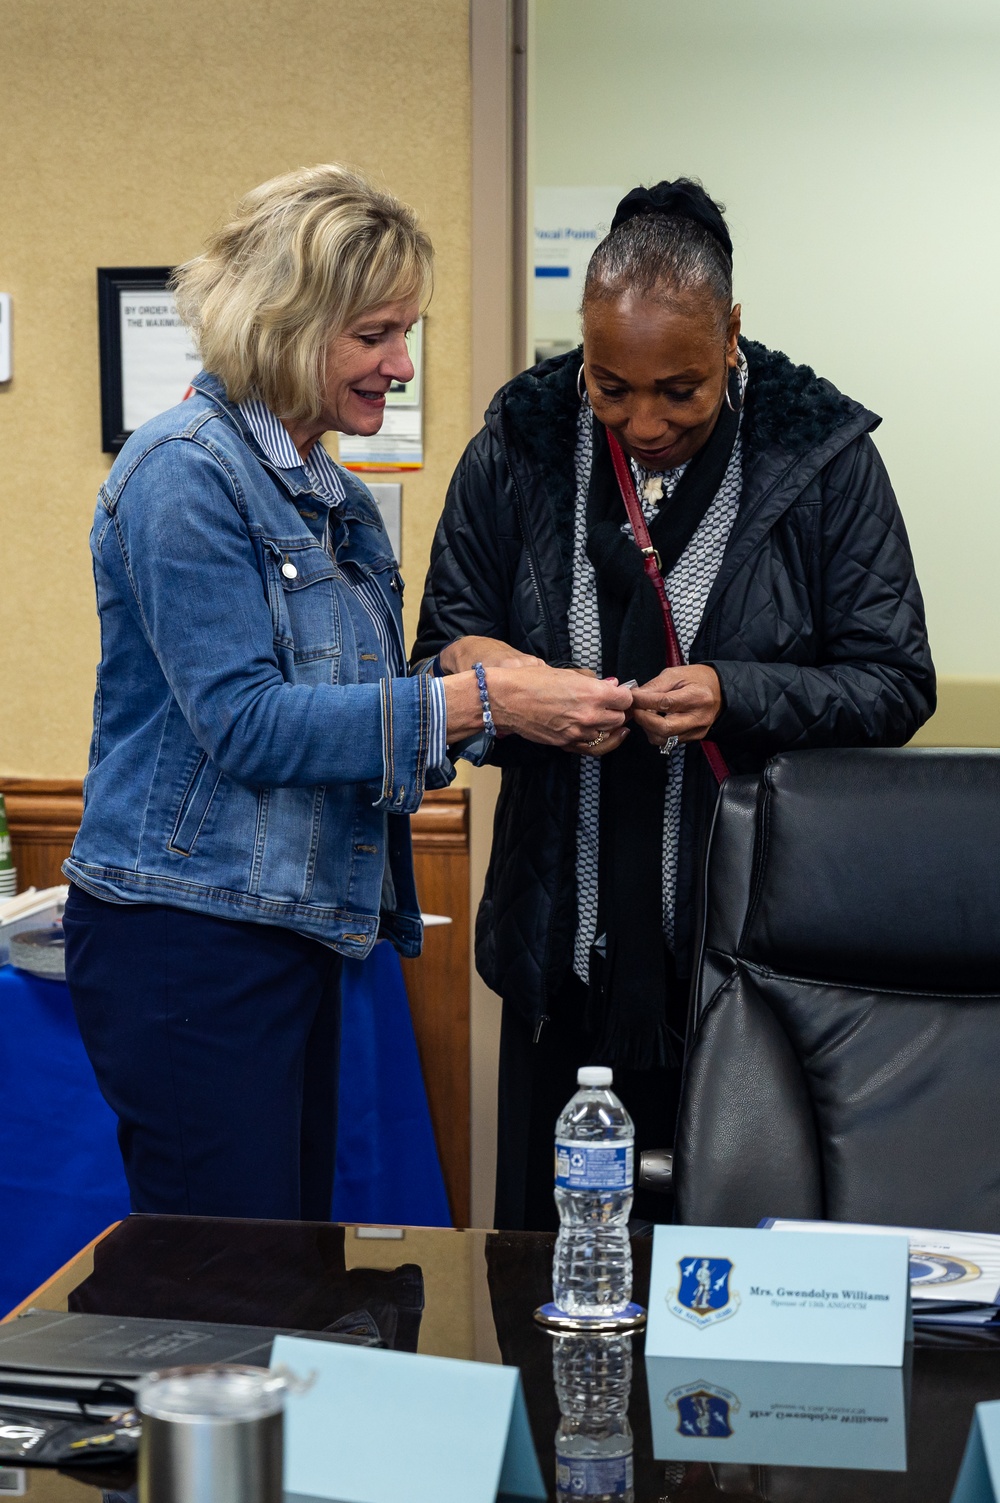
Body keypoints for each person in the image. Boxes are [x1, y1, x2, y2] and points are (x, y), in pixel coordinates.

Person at [62, 164, 629, 1222]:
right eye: (374, 336)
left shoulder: (331, 494)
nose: (401, 366)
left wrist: (475, 677)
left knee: (285, 1277)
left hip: (292, 927)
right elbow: (247, 724)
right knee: (221, 1293)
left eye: (404, 334)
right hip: (188, 941)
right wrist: (484, 707)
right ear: (286, 322)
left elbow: (341, 711)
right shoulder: (183, 472)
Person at [413, 178, 935, 1231]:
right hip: (561, 945)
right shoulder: (516, 448)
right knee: (554, 1263)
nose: (643, 421)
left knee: (730, 1262)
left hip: (751, 957)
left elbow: (894, 681)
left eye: (680, 392)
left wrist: (737, 692)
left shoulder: (820, 464)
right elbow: (438, 649)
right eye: (611, 388)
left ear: (733, 337)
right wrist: (515, 691)